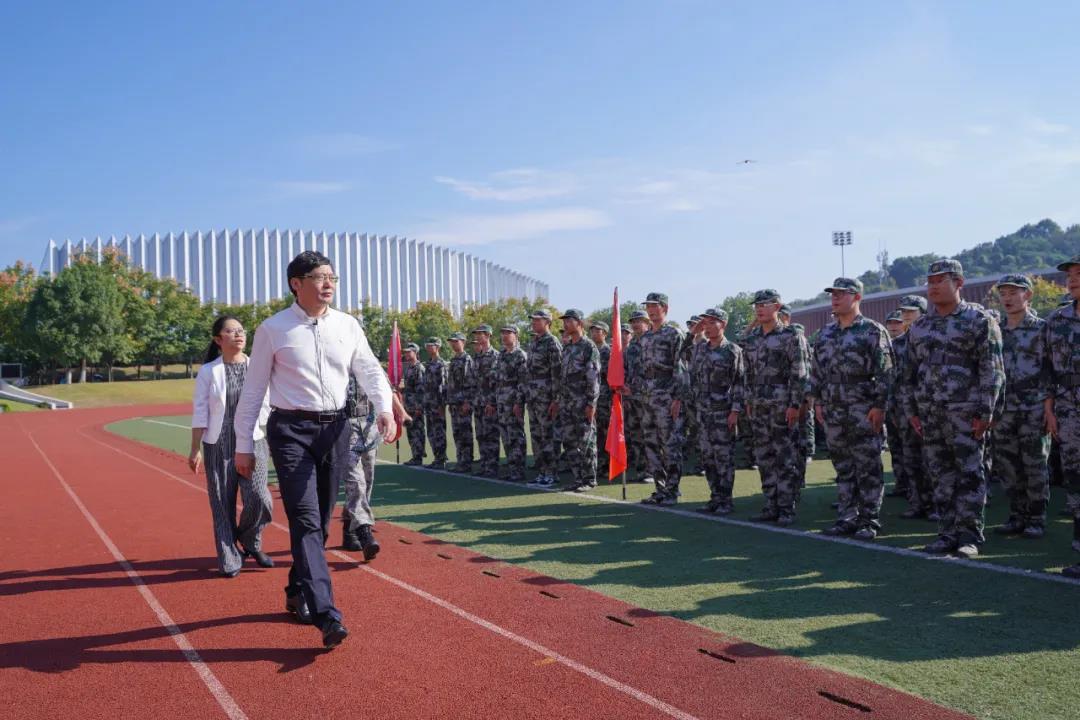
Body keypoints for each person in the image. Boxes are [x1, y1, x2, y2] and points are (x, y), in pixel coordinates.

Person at [233, 250, 395, 648]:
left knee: (320, 523)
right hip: (290, 431)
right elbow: (253, 391)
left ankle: (295, 590)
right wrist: (243, 444)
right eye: (320, 277)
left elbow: (369, 368)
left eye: (332, 278)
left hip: (335, 430)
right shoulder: (273, 329)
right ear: (296, 284)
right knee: (305, 519)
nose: (329, 284)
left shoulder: (347, 325)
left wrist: (385, 408)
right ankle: (326, 614)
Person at [902, 259, 1004, 559]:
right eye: (930, 281)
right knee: (940, 475)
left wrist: (987, 412)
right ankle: (947, 533)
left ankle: (969, 536)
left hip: (967, 413)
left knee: (970, 474)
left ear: (959, 283)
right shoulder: (920, 326)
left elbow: (992, 370)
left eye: (940, 280)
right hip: (931, 414)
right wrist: (912, 411)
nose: (933, 287)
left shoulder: (978, 320)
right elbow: (909, 373)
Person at [189, 315, 274, 578]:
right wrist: (194, 448)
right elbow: (200, 411)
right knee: (221, 502)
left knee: (260, 497)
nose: (239, 334)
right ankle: (228, 557)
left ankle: (250, 540)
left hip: (253, 439)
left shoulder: (258, 366)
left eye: (241, 330)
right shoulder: (208, 372)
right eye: (231, 331)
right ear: (218, 339)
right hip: (219, 443)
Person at [811, 278, 893, 541]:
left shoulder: (872, 330)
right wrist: (818, 402)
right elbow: (817, 371)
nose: (834, 299)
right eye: (832, 294)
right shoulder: (825, 333)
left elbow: (886, 373)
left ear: (857, 297)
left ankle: (869, 520)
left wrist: (880, 406)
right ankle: (847, 517)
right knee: (843, 466)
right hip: (833, 408)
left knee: (868, 465)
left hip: (863, 408)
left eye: (841, 294)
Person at [742, 289, 808, 525]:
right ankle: (770, 505)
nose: (759, 309)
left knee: (785, 458)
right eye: (757, 305)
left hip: (782, 406)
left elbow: (799, 373)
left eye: (765, 304)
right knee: (764, 457)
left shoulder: (791, 336)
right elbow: (747, 374)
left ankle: (786, 508)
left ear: (777, 307)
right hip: (759, 406)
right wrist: (748, 401)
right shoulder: (752, 339)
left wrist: (795, 405)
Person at [992, 275, 1050, 539]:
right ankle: (1017, 515)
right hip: (1004, 410)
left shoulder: (1042, 329)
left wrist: (1049, 407)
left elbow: (1051, 370)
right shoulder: (996, 331)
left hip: (1033, 408)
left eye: (1013, 293)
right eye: (1003, 293)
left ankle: (1036, 518)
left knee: (1034, 465)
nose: (1007, 298)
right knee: (1008, 465)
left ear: (1028, 295)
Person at [1042, 255, 1080, 577]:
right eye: (1070, 275)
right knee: (1076, 481)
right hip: (1068, 411)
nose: (1073, 279)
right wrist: (1049, 409)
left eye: (1079, 273)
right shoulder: (1057, 320)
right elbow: (1047, 369)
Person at [688, 307, 744, 514]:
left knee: (723, 458)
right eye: (706, 322)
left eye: (713, 322)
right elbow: (683, 357)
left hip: (723, 412)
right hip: (703, 412)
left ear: (724, 324)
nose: (708, 326)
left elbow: (739, 383)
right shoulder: (700, 348)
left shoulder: (732, 350)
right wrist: (694, 333)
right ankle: (715, 497)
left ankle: (726, 500)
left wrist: (735, 411)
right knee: (708, 458)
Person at [636, 292, 687, 505]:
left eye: (654, 306)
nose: (650, 310)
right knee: (651, 444)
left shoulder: (674, 334)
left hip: (667, 396)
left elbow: (681, 367)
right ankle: (660, 488)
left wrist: (678, 398)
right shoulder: (645, 337)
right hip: (648, 397)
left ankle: (673, 490)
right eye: (648, 306)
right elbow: (641, 368)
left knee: (670, 444)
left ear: (665, 308)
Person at [894, 294, 933, 519]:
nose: (906, 315)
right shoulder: (897, 343)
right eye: (903, 311)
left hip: (929, 407)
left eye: (911, 311)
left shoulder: (931, 338)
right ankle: (917, 502)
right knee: (910, 459)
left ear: (923, 313)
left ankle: (937, 505)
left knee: (932, 459)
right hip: (904, 410)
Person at [552, 309, 600, 491]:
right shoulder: (568, 348)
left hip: (582, 402)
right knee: (569, 441)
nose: (565, 324)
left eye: (569, 321)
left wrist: (591, 403)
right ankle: (578, 478)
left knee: (586, 442)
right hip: (567, 403)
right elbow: (562, 377)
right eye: (564, 321)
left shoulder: (588, 346)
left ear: (579, 323)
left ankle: (589, 479)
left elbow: (593, 377)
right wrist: (558, 400)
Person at [340, 371, 383, 560]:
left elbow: (385, 391)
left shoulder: (370, 367)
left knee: (367, 481)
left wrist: (397, 414)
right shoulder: (337, 365)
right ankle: (364, 532)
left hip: (370, 430)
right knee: (356, 483)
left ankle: (349, 530)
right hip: (345, 430)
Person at [525, 309, 562, 487]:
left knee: (548, 436)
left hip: (546, 397)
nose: (534, 323)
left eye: (537, 320)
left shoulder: (552, 342)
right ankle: (542, 471)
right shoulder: (534, 343)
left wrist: (556, 399)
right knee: (536, 436)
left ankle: (552, 473)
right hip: (534, 397)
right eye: (533, 320)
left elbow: (557, 373)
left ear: (547, 322)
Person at [496, 325, 529, 482]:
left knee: (516, 436)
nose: (504, 335)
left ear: (516, 335)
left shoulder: (520, 355)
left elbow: (523, 381)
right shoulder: (502, 355)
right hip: (502, 402)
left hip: (513, 402)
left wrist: (518, 402)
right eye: (503, 333)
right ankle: (511, 469)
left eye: (508, 333)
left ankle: (519, 470)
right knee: (506, 436)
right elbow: (498, 379)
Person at [624, 310, 651, 482]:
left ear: (647, 323)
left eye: (638, 321)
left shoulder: (653, 341)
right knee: (636, 435)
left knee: (650, 435)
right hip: (633, 397)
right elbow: (627, 372)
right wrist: (627, 396)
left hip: (649, 397)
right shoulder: (631, 347)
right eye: (633, 322)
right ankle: (642, 470)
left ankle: (652, 470)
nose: (635, 324)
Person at [470, 325, 501, 478]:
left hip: (489, 403)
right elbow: (474, 382)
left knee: (491, 435)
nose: (477, 336)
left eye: (480, 334)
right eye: (476, 334)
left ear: (488, 335)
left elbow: (496, 382)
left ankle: (492, 467)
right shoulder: (477, 357)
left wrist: (492, 402)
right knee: (481, 435)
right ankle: (484, 465)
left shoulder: (496, 356)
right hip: (478, 402)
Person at [446, 332, 476, 473]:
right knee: (457, 433)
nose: (453, 344)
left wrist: (467, 402)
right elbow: (451, 384)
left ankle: (467, 462)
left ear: (463, 342)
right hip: (454, 403)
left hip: (463, 402)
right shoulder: (453, 360)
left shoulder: (466, 359)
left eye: (456, 341)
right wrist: (450, 402)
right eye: (452, 342)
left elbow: (470, 382)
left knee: (465, 433)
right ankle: (460, 461)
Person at [589, 320, 612, 476]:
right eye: (593, 330)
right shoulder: (591, 350)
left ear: (604, 333)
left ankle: (605, 464)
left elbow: (610, 375)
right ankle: (596, 463)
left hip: (604, 397)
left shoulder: (607, 351)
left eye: (598, 331)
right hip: (592, 396)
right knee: (594, 431)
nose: (594, 333)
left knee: (604, 431)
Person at [422, 338, 449, 470]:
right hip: (428, 403)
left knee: (439, 432)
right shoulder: (428, 364)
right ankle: (436, 457)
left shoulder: (441, 364)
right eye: (427, 345)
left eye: (430, 345)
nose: (428, 348)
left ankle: (441, 458)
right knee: (431, 432)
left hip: (437, 404)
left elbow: (443, 386)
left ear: (437, 347)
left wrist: (442, 405)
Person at [400, 343, 426, 466]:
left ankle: (418, 456)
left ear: (415, 352)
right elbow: (410, 388)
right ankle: (415, 455)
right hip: (408, 406)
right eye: (405, 352)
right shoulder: (409, 368)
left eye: (409, 352)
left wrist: (419, 407)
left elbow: (421, 389)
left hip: (416, 407)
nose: (406, 354)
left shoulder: (418, 368)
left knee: (417, 432)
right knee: (411, 432)